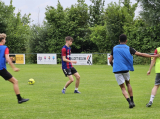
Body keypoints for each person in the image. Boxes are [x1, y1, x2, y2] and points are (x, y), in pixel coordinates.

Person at [109, 34, 159, 108]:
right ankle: (132, 101)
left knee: (123, 88)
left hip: (117, 70)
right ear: (126, 40)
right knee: (128, 84)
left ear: (119, 41)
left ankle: (129, 102)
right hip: (126, 69)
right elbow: (141, 54)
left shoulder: (114, 48)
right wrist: (154, 56)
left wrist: (114, 66)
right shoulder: (129, 48)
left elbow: (110, 60)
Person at [0, 33, 29, 104]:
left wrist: (6, 59)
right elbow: (7, 58)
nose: (5, 41)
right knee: (15, 81)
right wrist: (14, 68)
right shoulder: (5, 48)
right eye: (5, 39)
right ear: (3, 40)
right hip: (1, 69)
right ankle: (19, 99)